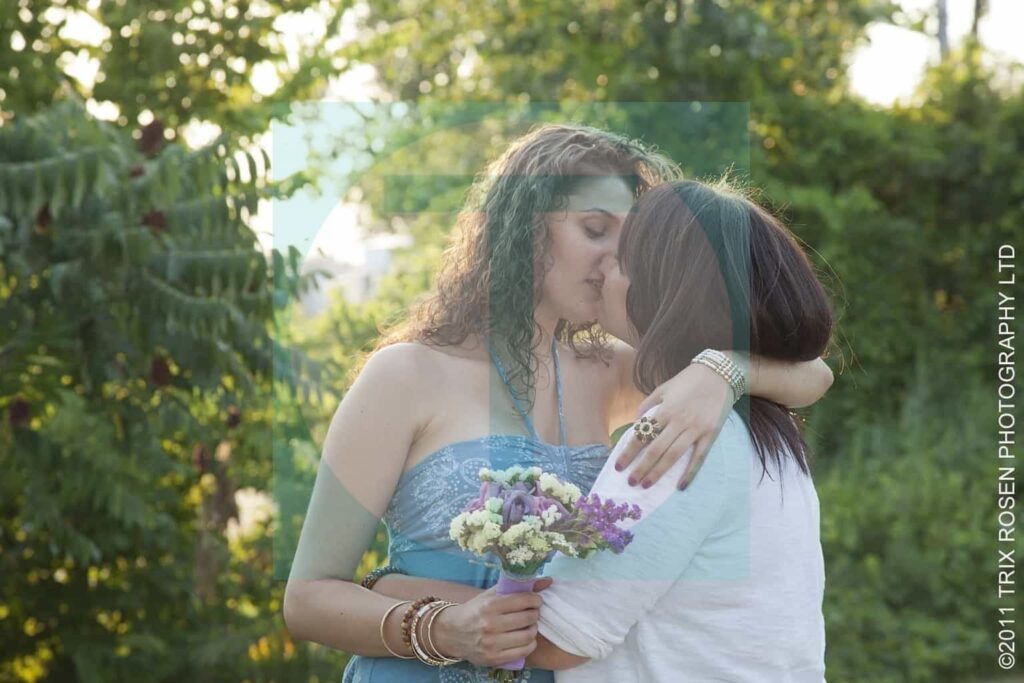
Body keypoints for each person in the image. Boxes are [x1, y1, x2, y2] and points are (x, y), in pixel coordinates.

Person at [282, 125, 834, 682]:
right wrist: (437, 624)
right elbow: (307, 598)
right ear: (520, 230)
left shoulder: (618, 369)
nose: (613, 256)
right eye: (594, 228)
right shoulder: (405, 375)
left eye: (628, 241)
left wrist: (725, 371)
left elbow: (815, 374)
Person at [527, 177, 832, 681]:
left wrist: (410, 608)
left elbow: (562, 638)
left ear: (669, 289)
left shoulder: (677, 437)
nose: (603, 267)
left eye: (623, 258)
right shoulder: (761, 426)